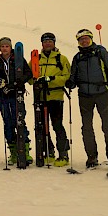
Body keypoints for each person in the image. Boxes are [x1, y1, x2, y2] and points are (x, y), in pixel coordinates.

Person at [66, 29, 108, 170]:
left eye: (86, 38)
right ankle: (91, 157)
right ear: (78, 41)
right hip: (84, 95)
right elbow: (74, 75)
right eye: (81, 39)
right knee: (86, 127)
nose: (84, 41)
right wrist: (70, 82)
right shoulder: (77, 57)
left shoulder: (101, 52)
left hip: (102, 93)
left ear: (91, 39)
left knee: (107, 125)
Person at [28, 33, 71, 167]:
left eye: (50, 41)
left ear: (54, 43)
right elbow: (29, 78)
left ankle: (63, 154)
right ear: (42, 44)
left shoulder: (61, 59)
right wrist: (35, 81)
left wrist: (51, 80)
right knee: (41, 126)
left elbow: (67, 77)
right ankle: (49, 151)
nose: (47, 44)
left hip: (56, 96)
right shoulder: (36, 59)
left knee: (57, 125)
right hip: (40, 97)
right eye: (45, 41)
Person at [0, 37, 33, 166]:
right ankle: (13, 152)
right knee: (8, 123)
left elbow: (28, 73)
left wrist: (18, 82)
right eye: (2, 46)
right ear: (0, 48)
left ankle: (25, 151)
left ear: (11, 48)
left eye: (7, 46)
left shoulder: (18, 59)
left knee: (20, 121)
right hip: (3, 96)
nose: (5, 48)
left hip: (17, 95)